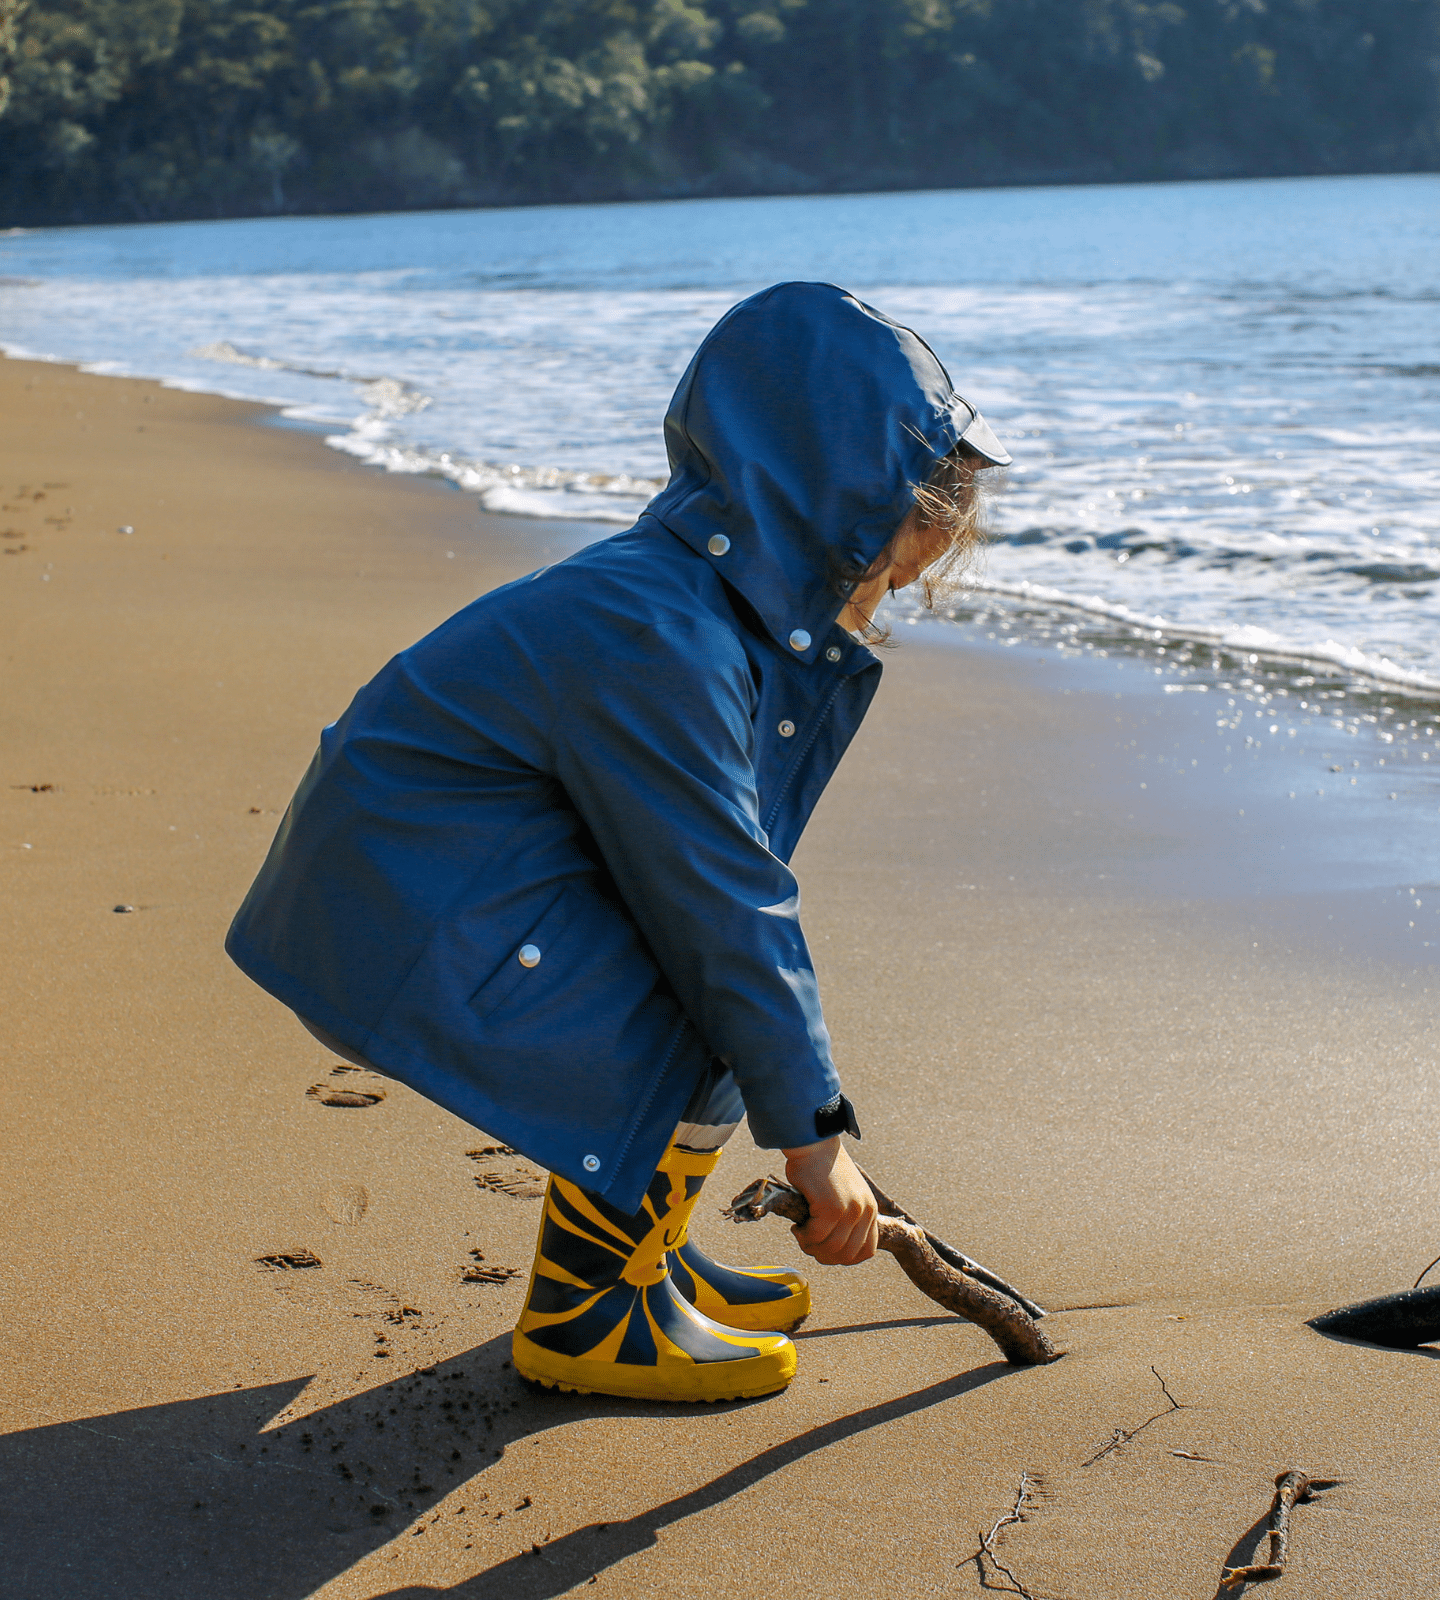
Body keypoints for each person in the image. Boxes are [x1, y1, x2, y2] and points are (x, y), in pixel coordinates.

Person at [226, 281, 1010, 1403]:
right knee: (703, 973)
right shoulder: (660, 636)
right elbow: (726, 906)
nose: (929, 551)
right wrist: (816, 1139)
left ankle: (639, 1257)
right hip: (395, 903)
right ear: (827, 491)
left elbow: (731, 890)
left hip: (447, 873)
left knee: (726, 977)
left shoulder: (708, 601)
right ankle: (586, 1308)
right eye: (924, 515)